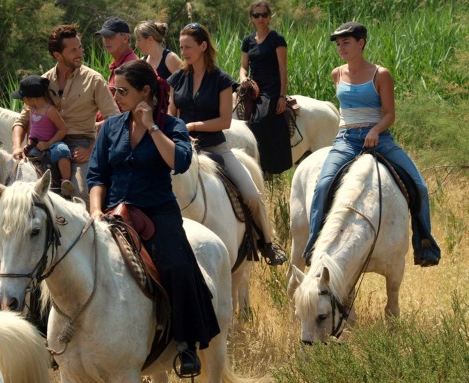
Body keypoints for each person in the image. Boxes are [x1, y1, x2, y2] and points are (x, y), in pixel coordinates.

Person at [86, 60, 220, 376]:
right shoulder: (110, 126)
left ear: (145, 91)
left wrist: (152, 127)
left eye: (123, 91)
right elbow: (97, 175)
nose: (116, 96)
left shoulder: (171, 126)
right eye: (114, 90)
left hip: (158, 212)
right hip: (112, 212)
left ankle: (186, 344)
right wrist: (94, 211)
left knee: (177, 265)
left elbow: (180, 162)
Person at [302, 21, 441, 267]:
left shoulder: (381, 74)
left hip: (380, 139)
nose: (340, 47)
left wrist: (376, 130)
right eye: (338, 44)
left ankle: (425, 245)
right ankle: (314, 246)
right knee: (323, 186)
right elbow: (346, 112)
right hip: (346, 139)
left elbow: (390, 114)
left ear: (361, 43)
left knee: (418, 186)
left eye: (346, 42)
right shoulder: (337, 74)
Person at [168, 22, 286, 266]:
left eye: (188, 47)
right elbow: (172, 114)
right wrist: (177, 131)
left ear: (203, 46)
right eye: (181, 47)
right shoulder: (177, 78)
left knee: (252, 194)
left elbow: (224, 121)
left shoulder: (221, 79)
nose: (184, 52)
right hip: (182, 149)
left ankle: (266, 243)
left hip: (215, 148)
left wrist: (192, 127)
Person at [12, 24, 120, 202]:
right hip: (45, 145)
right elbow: (22, 120)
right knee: (25, 193)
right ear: (57, 55)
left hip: (81, 145)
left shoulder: (94, 79)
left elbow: (113, 119)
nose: (79, 53)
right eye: (73, 50)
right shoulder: (44, 81)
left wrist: (91, 150)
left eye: (80, 48)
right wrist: (16, 147)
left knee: (80, 194)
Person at [239, 0, 292, 176]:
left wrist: (282, 96)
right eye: (256, 15)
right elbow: (243, 66)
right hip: (253, 85)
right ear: (251, 18)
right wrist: (243, 78)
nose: (260, 18)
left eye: (264, 15)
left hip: (272, 87)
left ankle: (266, 168)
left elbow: (282, 68)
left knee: (259, 121)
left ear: (269, 17)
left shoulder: (277, 39)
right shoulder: (247, 40)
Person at [11, 75, 75, 198]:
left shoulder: (50, 110)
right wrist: (29, 144)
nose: (23, 102)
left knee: (61, 151)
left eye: (22, 99)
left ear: (30, 99)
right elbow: (33, 130)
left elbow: (63, 129)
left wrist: (49, 143)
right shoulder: (32, 109)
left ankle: (66, 181)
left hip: (51, 142)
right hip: (37, 143)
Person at [95, 17, 139, 92]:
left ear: (125, 38)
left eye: (110, 36)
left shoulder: (131, 66)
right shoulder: (120, 63)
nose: (106, 40)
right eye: (104, 36)